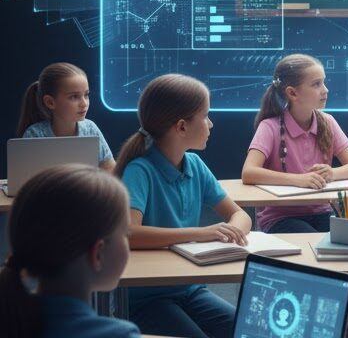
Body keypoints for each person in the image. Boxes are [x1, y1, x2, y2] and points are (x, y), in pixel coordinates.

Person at [115, 74, 252, 338]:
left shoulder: (196, 165)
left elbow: (239, 215)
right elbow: (129, 234)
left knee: (249, 330)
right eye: (205, 116)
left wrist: (232, 230)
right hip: (147, 299)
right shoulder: (140, 170)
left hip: (190, 290)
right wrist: (202, 233)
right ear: (181, 127)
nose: (211, 124)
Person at [241, 53, 348, 337]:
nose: (325, 90)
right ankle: (342, 324)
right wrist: (298, 180)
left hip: (321, 213)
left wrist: (332, 173)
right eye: (317, 84)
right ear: (292, 93)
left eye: (324, 83)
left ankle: (328, 321)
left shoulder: (327, 122)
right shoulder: (270, 127)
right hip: (281, 218)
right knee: (316, 258)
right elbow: (249, 172)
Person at [0, 164, 139, 338]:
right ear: (97, 254)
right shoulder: (119, 334)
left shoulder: (10, 320)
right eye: (126, 234)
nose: (127, 240)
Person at [17, 62, 115, 171]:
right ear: (50, 102)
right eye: (74, 97)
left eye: (86, 95)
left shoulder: (90, 129)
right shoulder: (35, 134)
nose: (84, 103)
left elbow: (111, 170)